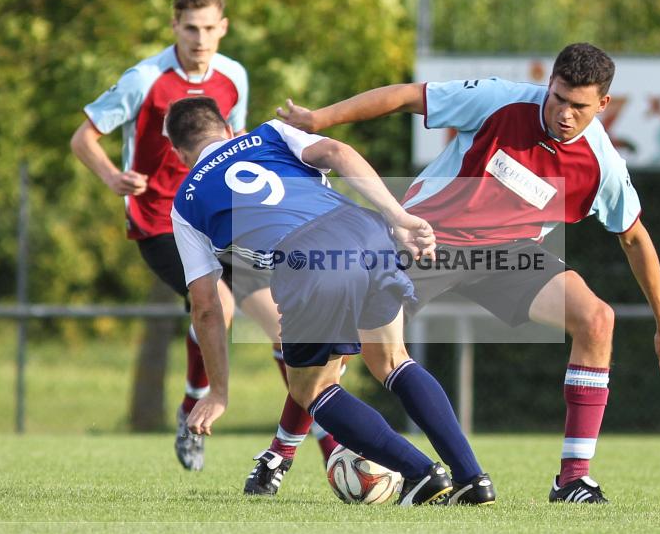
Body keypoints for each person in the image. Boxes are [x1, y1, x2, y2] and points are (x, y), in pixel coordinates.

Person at [277, 42, 660, 504]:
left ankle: (572, 480)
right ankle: (280, 454)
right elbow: (405, 95)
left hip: (510, 255)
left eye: (579, 106)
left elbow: (634, 237)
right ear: (549, 84)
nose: (564, 113)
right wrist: (320, 121)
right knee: (341, 348)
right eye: (558, 97)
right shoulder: (501, 100)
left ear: (602, 105)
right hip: (426, 239)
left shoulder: (603, 166)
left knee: (597, 319)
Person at [166, 96, 495, 506]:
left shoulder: (185, 203)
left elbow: (207, 308)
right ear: (229, 129)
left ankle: (422, 473)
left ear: (179, 154)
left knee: (312, 389)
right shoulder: (269, 133)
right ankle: (472, 478)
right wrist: (398, 216)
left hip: (308, 259)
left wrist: (218, 391)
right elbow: (338, 152)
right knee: (393, 360)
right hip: (365, 229)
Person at [70, 0, 338, 473]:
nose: (200, 38)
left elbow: (232, 146)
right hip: (159, 221)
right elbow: (83, 137)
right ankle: (201, 401)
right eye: (190, 28)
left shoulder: (234, 75)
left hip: (221, 219)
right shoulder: (145, 79)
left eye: (209, 28)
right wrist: (113, 176)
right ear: (174, 27)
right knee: (220, 304)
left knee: (282, 328)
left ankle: (331, 449)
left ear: (224, 28)